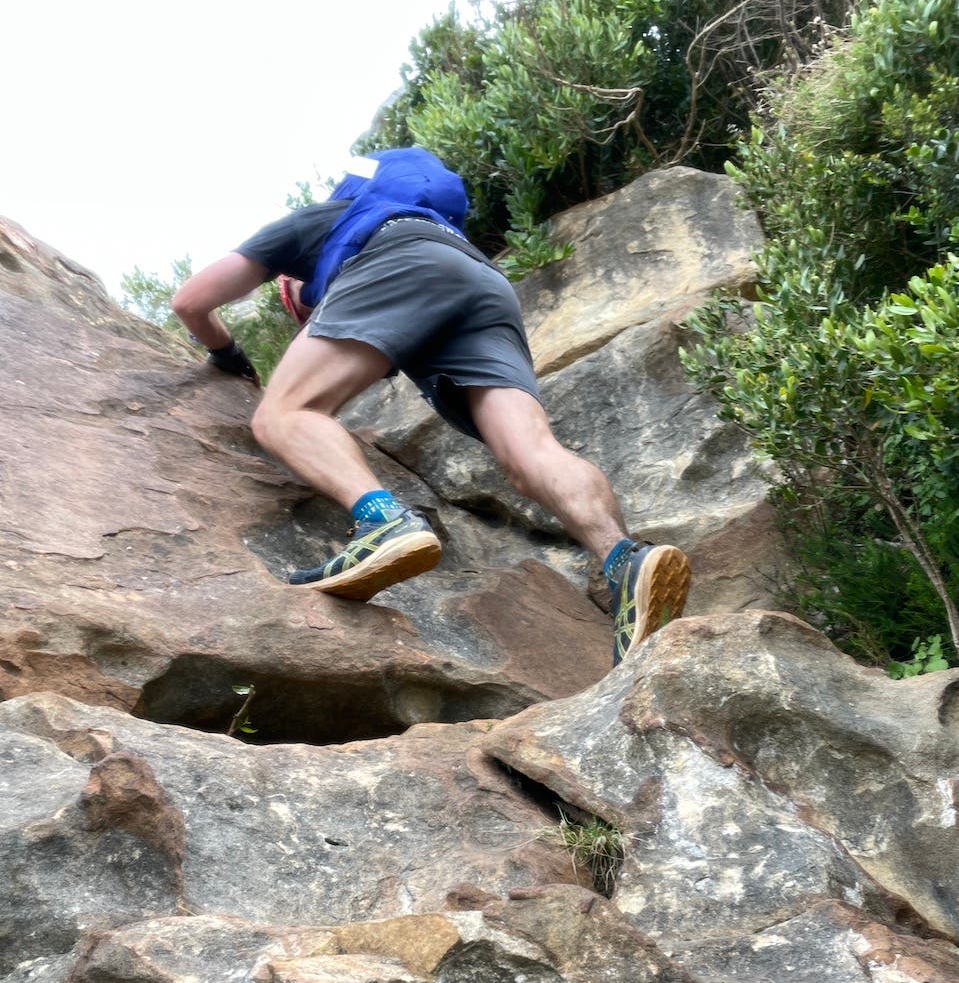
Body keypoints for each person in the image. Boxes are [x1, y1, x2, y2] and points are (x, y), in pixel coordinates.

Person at [171, 150, 691, 666]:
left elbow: (191, 302)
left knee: (283, 413)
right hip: (481, 281)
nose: (299, 312)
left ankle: (385, 523)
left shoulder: (327, 220)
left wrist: (227, 354)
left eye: (292, 303)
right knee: (531, 451)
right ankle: (624, 559)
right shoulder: (438, 225)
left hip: (399, 264)